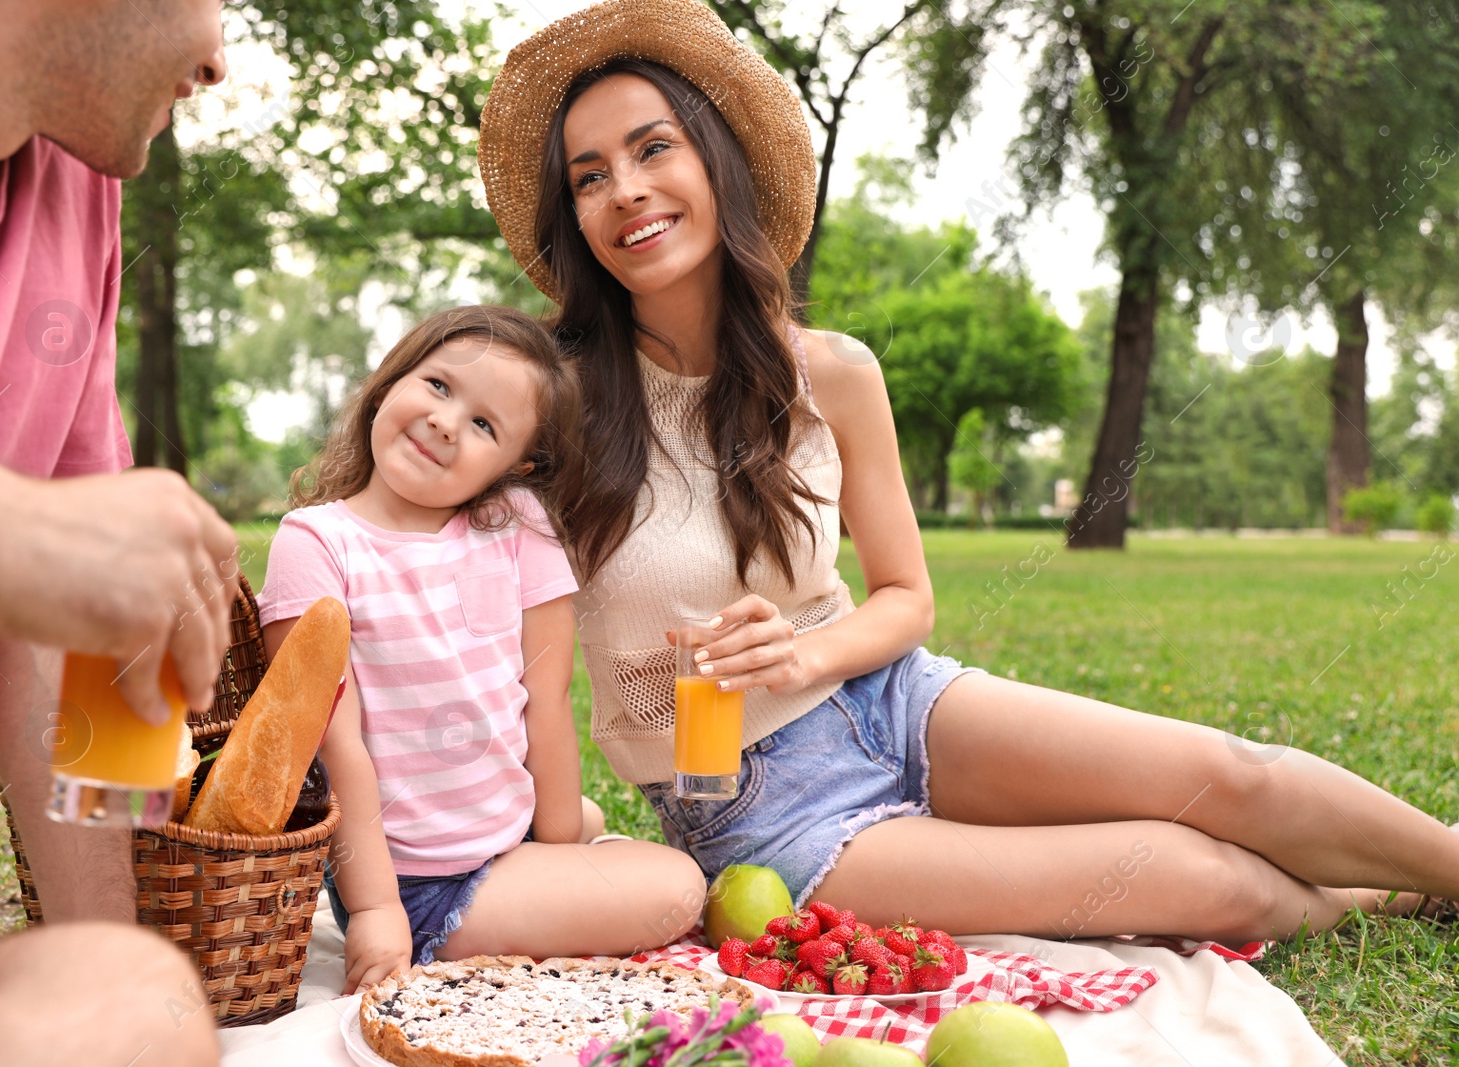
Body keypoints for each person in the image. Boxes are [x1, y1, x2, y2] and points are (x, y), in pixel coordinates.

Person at [474, 0, 1459, 948]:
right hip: (758, 812)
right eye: (589, 175)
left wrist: (805, 656)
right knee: (1203, 878)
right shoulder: (549, 405)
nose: (626, 189)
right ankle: (1368, 901)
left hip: (891, 699)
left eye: (653, 148)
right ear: (575, 216)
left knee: (1231, 776)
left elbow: (905, 596)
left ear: (713, 162)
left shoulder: (835, 374)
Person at [0, 3, 235, 1064]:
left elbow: (49, 638)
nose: (218, 58)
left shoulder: (78, 190)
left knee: (125, 1002)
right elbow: (33, 550)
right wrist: (0, 529)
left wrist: (107, 956)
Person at [257, 305, 706, 995]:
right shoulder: (316, 543)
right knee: (679, 886)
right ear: (392, 378)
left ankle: (548, 864)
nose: (445, 421)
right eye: (438, 386)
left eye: (484, 425)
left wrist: (555, 852)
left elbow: (546, 698)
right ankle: (509, 894)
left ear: (516, 462)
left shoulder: (518, 524)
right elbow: (330, 744)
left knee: (577, 819)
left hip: (506, 832)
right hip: (415, 881)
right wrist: (377, 910)